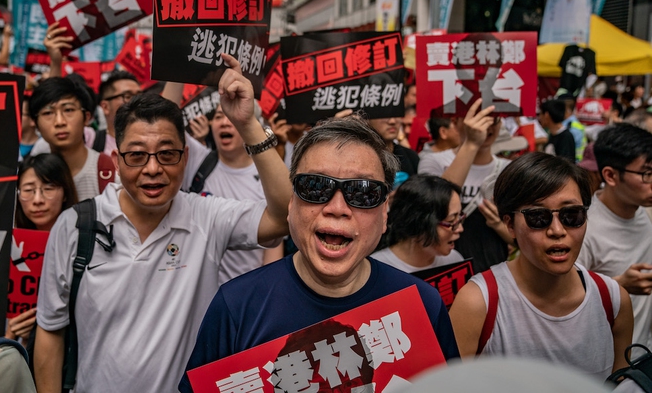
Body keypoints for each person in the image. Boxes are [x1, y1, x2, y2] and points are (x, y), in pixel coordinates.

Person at [33, 54, 292, 393]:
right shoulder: (74, 226)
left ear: (185, 157)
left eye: (167, 154)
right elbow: (50, 329)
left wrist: (248, 125)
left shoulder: (207, 217)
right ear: (116, 160)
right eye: (137, 155)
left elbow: (284, 215)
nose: (153, 168)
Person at [180, 116, 459, 393]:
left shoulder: (423, 306)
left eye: (363, 192)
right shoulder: (236, 307)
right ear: (291, 203)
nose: (337, 208)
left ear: (385, 213)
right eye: (315, 187)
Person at [450, 152, 633, 381]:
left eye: (572, 215)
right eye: (537, 217)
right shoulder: (478, 303)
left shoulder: (614, 301)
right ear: (509, 224)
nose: (557, 230)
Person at [182, 103, 284, 284]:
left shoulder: (267, 178)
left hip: (247, 292)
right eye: (218, 116)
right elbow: (166, 115)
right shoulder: (197, 161)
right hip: (199, 293)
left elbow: (276, 239)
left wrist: (264, 289)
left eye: (232, 117)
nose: (224, 122)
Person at [577, 123, 652, 350]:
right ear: (610, 175)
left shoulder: (645, 213)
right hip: (603, 361)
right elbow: (560, 302)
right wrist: (618, 285)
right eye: (647, 174)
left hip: (641, 354)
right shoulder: (583, 229)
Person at [418, 100, 512, 273]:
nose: (486, 124)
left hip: (494, 269)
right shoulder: (434, 161)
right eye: (476, 117)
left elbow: (519, 238)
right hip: (445, 269)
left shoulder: (509, 169)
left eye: (494, 119)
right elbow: (432, 207)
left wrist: (499, 225)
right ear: (455, 122)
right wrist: (471, 143)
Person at [6, 154, 78, 345]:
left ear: (65, 192)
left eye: (48, 189)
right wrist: (11, 334)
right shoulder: (7, 247)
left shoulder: (83, 243)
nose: (38, 200)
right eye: (28, 190)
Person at [29, 76, 115, 201]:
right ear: (35, 123)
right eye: (48, 113)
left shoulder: (110, 174)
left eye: (68, 110)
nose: (59, 122)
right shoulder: (29, 179)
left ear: (86, 117)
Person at [371, 175, 465, 272]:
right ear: (418, 224)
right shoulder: (377, 270)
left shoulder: (454, 261)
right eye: (451, 221)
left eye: (460, 218)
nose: (460, 228)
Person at [96, 70, 142, 157]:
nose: (137, 101)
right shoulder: (92, 141)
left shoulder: (153, 140)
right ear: (105, 107)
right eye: (128, 96)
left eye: (139, 96)